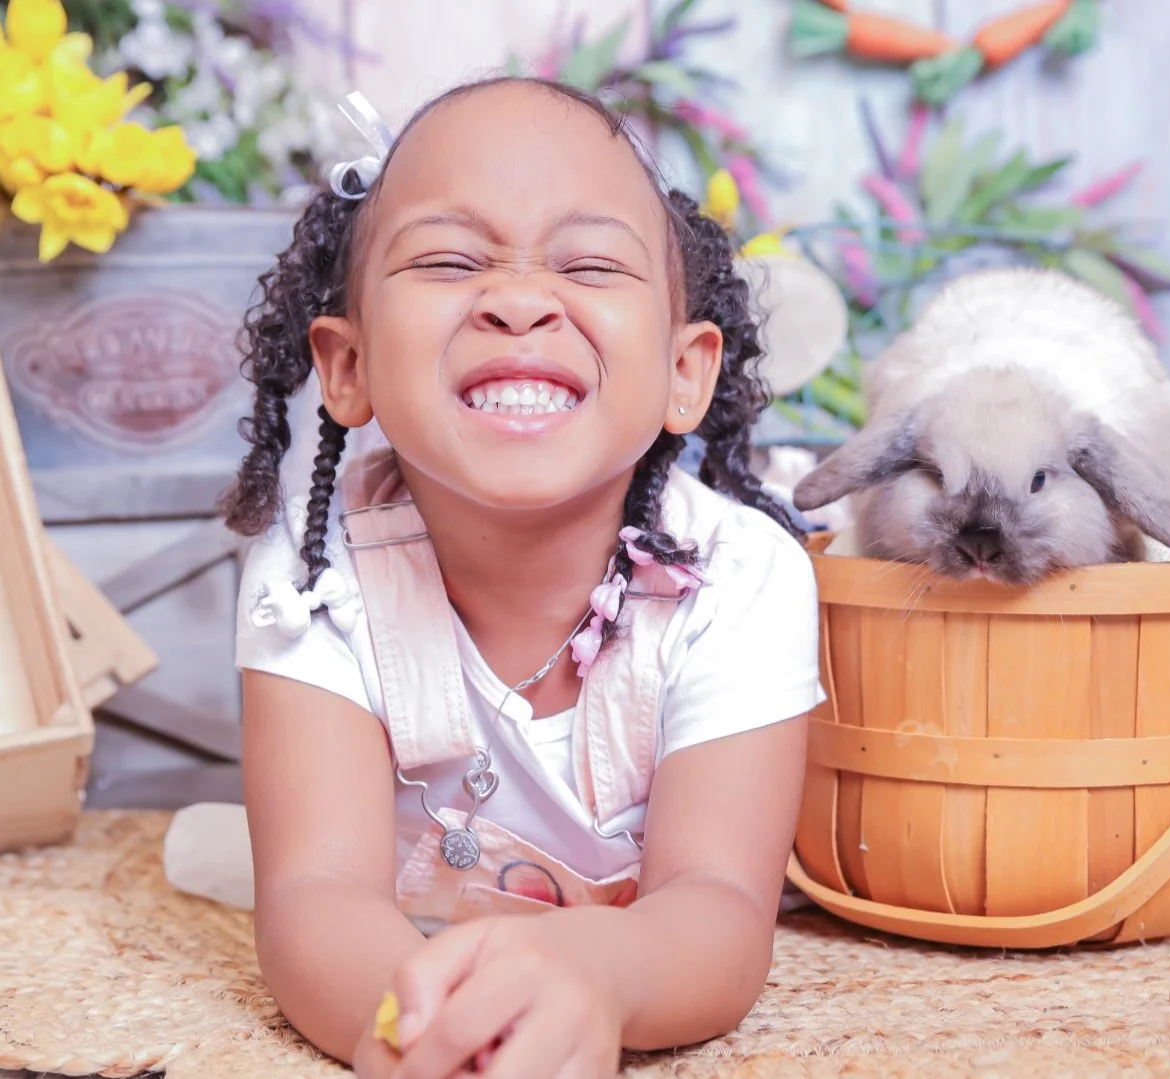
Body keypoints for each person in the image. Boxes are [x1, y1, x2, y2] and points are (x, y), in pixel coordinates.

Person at [222, 75, 824, 1079]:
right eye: (449, 259)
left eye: (587, 262)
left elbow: (715, 905)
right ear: (346, 364)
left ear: (687, 370)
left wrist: (593, 975)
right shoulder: (313, 573)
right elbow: (316, 893)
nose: (516, 299)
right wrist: (414, 1030)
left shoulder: (738, 575)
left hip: (625, 950)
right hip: (407, 946)